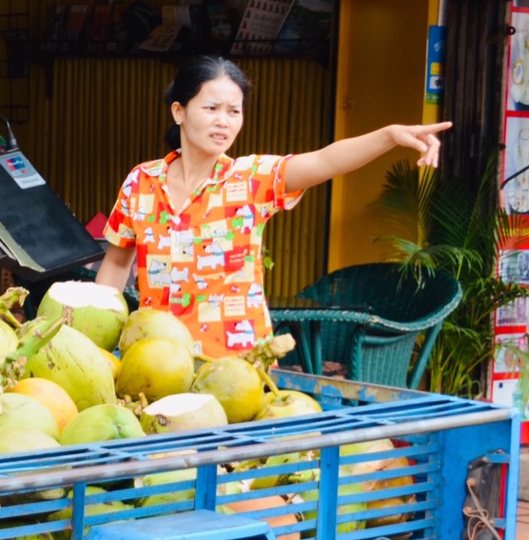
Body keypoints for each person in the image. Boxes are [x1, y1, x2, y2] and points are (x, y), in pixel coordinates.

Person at [94, 55, 448, 358]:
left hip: (238, 367)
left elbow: (325, 160)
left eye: (234, 111)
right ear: (179, 111)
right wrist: (96, 337)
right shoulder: (141, 182)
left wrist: (388, 136)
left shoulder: (250, 179)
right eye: (212, 108)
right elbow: (115, 262)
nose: (224, 120)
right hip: (155, 361)